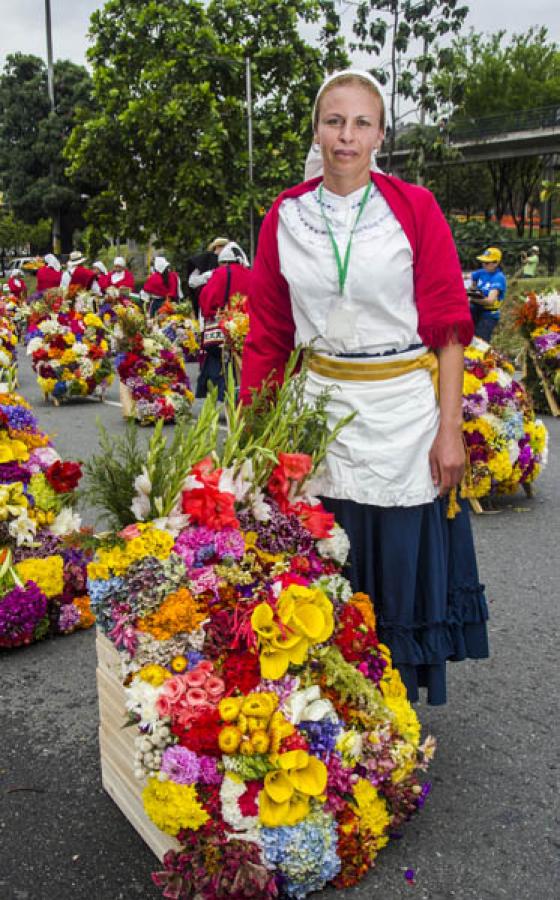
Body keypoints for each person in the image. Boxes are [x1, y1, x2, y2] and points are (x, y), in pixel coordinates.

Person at [240, 69, 488, 706]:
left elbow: (448, 327)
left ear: (380, 133)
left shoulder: (414, 208)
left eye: (361, 123)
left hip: (402, 408)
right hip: (318, 405)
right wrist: (254, 433)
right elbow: (268, 333)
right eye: (334, 121)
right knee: (325, 550)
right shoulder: (285, 216)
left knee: (398, 556)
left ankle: (395, 699)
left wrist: (450, 427)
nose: (346, 136)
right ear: (317, 130)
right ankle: (329, 696)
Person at [196, 241, 251, 401]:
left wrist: (209, 312)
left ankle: (227, 397)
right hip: (246, 325)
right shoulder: (250, 273)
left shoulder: (220, 274)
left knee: (221, 366)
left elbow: (206, 298)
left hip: (222, 328)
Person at [469, 247, 507, 343]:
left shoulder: (498, 278)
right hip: (476, 310)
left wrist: (472, 299)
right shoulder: (482, 272)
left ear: (496, 263)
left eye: (487, 263)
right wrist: (473, 288)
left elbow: (490, 301)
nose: (483, 265)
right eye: (482, 262)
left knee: (480, 342)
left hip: (488, 315)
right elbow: (469, 277)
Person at [187, 237, 229, 317]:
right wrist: (209, 275)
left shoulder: (230, 261)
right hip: (207, 303)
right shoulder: (204, 260)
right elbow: (192, 282)